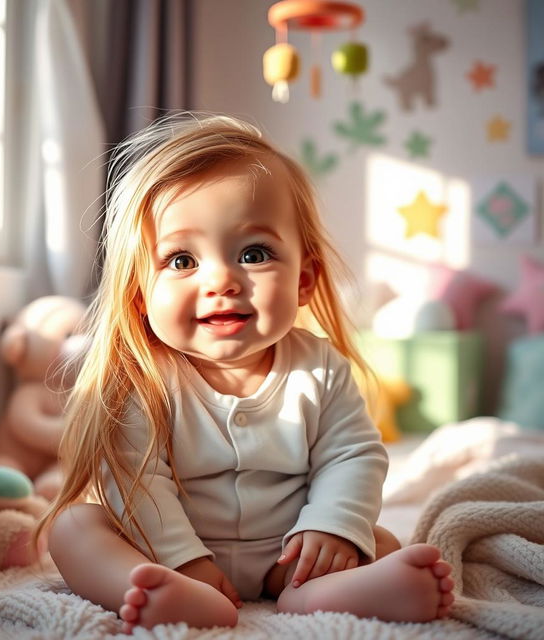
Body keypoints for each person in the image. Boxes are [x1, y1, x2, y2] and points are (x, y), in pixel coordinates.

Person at [37, 113, 454, 633]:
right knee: (74, 526)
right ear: (140, 295)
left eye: (253, 254)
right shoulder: (143, 378)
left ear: (304, 281)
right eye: (182, 260)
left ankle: (319, 595)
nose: (222, 280)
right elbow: (136, 479)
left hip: (291, 552)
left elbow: (353, 455)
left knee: (378, 537)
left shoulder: (320, 368)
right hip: (168, 551)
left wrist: (333, 528)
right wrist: (184, 560)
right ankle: (158, 591)